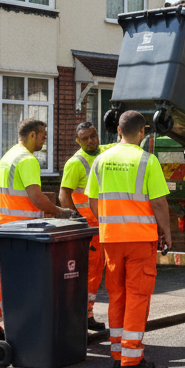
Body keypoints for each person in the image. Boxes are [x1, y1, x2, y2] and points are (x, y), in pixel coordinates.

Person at [87, 110, 173, 368]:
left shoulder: (100, 160)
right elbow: (159, 202)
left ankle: (117, 352)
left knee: (117, 295)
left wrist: (107, 223)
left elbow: (92, 200)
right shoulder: (148, 161)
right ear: (142, 132)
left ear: (118, 131)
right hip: (139, 239)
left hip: (111, 238)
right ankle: (132, 358)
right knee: (137, 295)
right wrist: (166, 232)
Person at [0, 119, 76, 344]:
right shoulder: (27, 160)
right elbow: (36, 197)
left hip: (4, 226)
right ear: (32, 135)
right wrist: (59, 212)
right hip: (21, 229)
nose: (45, 139)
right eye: (43, 135)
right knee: (9, 277)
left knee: (8, 276)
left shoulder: (9, 156)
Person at [59, 120, 113, 331]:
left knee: (96, 273)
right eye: (85, 139)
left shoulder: (106, 152)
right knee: (89, 273)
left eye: (93, 136)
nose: (91, 141)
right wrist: (77, 221)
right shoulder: (75, 163)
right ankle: (82, 316)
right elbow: (64, 193)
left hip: (101, 226)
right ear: (77, 141)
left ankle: (87, 314)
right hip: (88, 228)